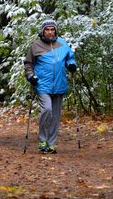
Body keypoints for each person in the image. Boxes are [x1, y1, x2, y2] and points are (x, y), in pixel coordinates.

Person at [24, 19, 76, 154]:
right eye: (47, 30)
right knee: (47, 110)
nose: (50, 32)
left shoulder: (63, 44)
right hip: (42, 84)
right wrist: (31, 76)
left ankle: (51, 144)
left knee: (56, 116)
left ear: (56, 31)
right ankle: (42, 140)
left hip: (59, 85)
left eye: (52, 29)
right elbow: (28, 64)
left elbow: (70, 57)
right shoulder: (36, 46)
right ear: (43, 31)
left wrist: (71, 64)